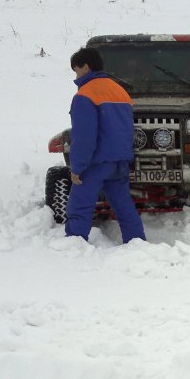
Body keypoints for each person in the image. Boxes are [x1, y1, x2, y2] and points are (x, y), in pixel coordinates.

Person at [65, 47, 146, 244]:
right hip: (120, 160)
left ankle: (74, 245)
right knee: (124, 206)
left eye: (76, 70)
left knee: (80, 205)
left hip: (96, 162)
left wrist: (78, 167)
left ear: (85, 67)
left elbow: (84, 136)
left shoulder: (85, 94)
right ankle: (136, 242)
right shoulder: (120, 91)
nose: (76, 75)